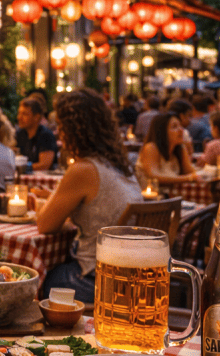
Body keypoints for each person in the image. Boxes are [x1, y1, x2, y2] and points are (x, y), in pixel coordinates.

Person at [27, 89, 143, 303]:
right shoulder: (118, 165)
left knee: (35, 276)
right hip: (134, 277)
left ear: (72, 130)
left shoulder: (84, 169)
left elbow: (45, 225)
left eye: (60, 127)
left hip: (99, 280)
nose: (58, 133)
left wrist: (42, 203)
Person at [137, 112, 199, 185]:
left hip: (172, 193)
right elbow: (153, 176)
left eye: (180, 125)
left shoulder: (180, 147)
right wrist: (188, 178)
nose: (181, 130)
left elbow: (190, 172)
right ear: (162, 132)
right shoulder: (151, 147)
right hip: (153, 194)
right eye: (174, 127)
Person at [15, 97, 57, 171]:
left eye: (24, 114)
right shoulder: (20, 134)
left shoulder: (46, 136)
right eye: (19, 113)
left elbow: (44, 165)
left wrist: (22, 167)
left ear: (36, 117)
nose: (19, 117)